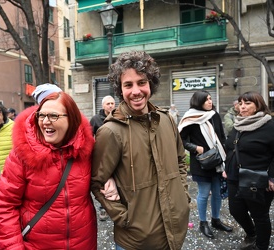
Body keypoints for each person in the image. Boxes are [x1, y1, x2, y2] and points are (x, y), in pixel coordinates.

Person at [91, 51, 190, 249]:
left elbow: (180, 161)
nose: (136, 91)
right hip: (135, 241)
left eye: (141, 82)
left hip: (175, 231)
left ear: (150, 84)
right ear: (120, 89)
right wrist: (125, 219)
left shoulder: (167, 120)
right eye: (128, 85)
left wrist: (183, 198)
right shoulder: (110, 131)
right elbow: (97, 182)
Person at [0, 92, 97, 249]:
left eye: (53, 116)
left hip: (82, 243)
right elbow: (4, 204)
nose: (46, 122)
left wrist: (109, 182)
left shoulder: (86, 149)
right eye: (42, 116)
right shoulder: (22, 155)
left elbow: (103, 176)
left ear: (72, 119)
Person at [178, 90, 233, 239]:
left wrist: (225, 156)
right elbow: (179, 139)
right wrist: (195, 148)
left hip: (217, 160)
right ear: (198, 102)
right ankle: (203, 223)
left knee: (216, 192)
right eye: (206, 99)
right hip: (201, 161)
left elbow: (221, 136)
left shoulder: (214, 114)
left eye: (210, 99)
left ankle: (216, 220)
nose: (210, 101)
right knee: (203, 193)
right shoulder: (190, 117)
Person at [224, 91, 274, 250]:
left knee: (260, 215)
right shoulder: (238, 124)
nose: (242, 107)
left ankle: (261, 245)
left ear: (258, 105)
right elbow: (231, 147)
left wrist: (272, 177)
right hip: (234, 177)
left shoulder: (269, 125)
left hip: (257, 179)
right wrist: (226, 167)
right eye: (240, 103)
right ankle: (251, 233)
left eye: (247, 103)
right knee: (235, 210)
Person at [90, 95, 115, 221]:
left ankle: (116, 206)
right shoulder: (96, 119)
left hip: (116, 154)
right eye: (108, 104)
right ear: (103, 105)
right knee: (103, 181)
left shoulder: (117, 116)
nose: (110, 105)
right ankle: (103, 208)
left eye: (112, 103)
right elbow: (89, 136)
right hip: (102, 155)